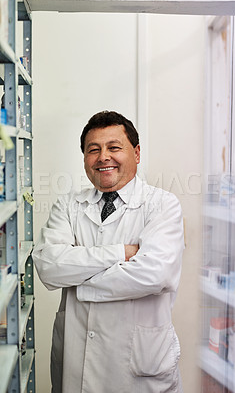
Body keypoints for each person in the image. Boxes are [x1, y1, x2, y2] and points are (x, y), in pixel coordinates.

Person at [33, 110, 185, 393]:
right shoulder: (68, 205)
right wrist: (121, 253)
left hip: (139, 368)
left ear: (136, 153)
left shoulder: (162, 205)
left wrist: (79, 279)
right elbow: (48, 266)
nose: (103, 157)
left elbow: (154, 274)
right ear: (85, 159)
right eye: (94, 150)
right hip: (76, 362)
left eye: (114, 147)